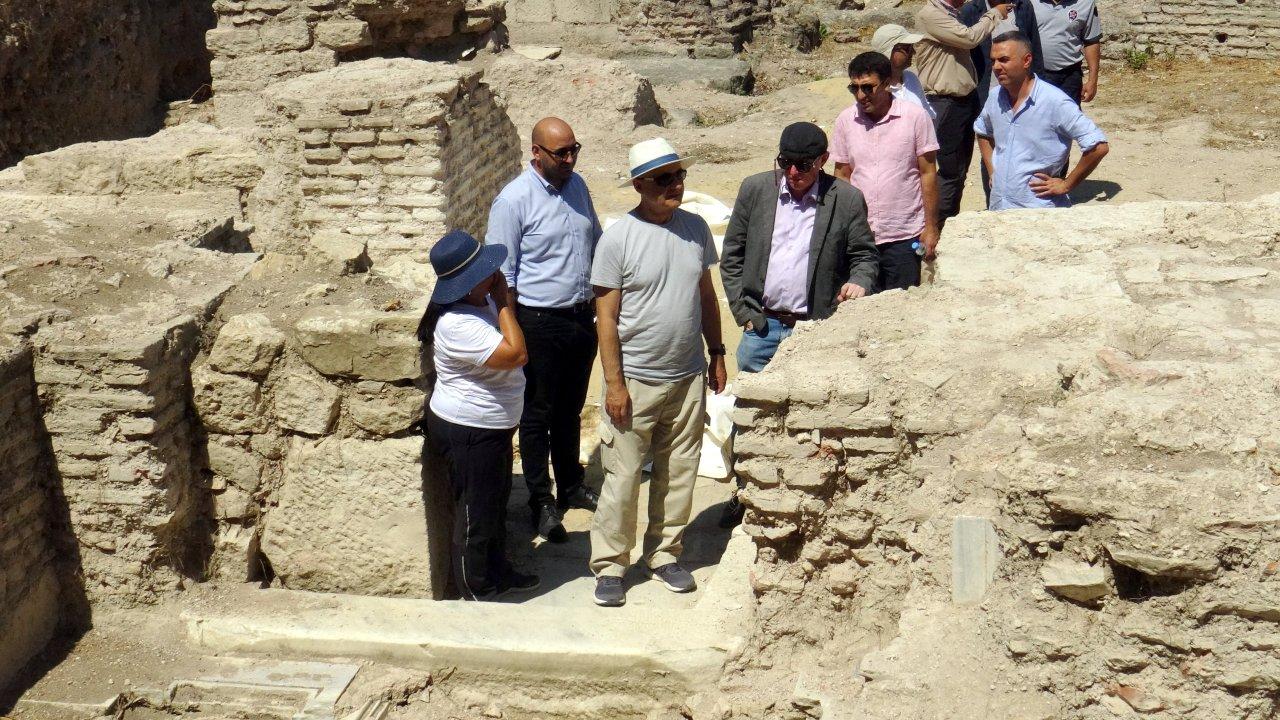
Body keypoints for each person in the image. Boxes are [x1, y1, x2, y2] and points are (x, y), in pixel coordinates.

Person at [716, 121, 879, 527]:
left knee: (813, 418)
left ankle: (809, 499)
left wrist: (859, 282)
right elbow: (732, 255)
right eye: (785, 162)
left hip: (815, 331)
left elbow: (864, 256)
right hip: (763, 327)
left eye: (803, 165)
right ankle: (745, 493)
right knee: (750, 415)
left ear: (823, 160)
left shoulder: (846, 199)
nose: (792, 173)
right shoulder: (756, 190)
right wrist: (745, 314)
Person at [589, 138, 727, 607]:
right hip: (635, 381)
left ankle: (665, 554)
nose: (676, 185)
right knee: (623, 478)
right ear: (639, 185)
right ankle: (611, 565)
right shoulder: (618, 239)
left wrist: (717, 352)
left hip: (687, 378)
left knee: (679, 473)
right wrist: (614, 383)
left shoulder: (695, 229)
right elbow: (606, 317)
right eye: (664, 179)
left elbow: (706, 296)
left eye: (679, 175)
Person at [486, 117, 603, 545]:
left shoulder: (578, 186)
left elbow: (596, 241)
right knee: (537, 414)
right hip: (538, 322)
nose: (570, 159)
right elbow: (503, 276)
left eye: (574, 150)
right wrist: (512, 331)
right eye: (561, 153)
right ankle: (541, 500)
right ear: (536, 152)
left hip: (580, 317)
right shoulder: (513, 201)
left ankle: (571, 484)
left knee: (570, 408)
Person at [419, 231, 539, 601]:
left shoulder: (480, 301)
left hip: (491, 428)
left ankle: (497, 572)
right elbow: (516, 355)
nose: (496, 274)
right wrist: (504, 302)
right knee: (474, 517)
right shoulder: (457, 323)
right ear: (469, 282)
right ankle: (476, 592)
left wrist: (498, 301)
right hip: (469, 430)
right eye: (488, 271)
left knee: (494, 506)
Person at [832, 52, 941, 290]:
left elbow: (928, 173)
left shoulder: (915, 117)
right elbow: (842, 176)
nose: (861, 95)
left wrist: (931, 227)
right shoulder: (845, 121)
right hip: (859, 238)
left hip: (903, 235)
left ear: (887, 83)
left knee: (901, 305)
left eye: (868, 88)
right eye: (854, 88)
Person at [975, 31, 1109, 210]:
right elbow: (983, 131)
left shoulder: (1055, 101)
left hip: (1039, 210)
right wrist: (993, 171)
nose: (996, 67)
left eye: (1004, 60)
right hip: (1000, 208)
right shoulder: (995, 97)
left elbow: (1098, 146)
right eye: (993, 61)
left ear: (1026, 60)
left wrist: (1066, 184)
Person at [914, 0, 1012, 224]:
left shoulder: (950, 14)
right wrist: (994, 14)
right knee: (950, 172)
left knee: (959, 172)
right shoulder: (931, 14)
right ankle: (938, 226)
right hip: (946, 102)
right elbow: (969, 38)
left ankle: (948, 221)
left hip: (961, 101)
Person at [871, 24, 935, 120]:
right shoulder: (873, 87)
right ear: (889, 52)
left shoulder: (911, 78)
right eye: (907, 49)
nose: (913, 52)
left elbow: (927, 112)